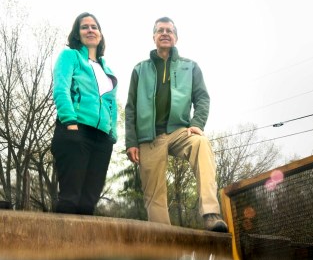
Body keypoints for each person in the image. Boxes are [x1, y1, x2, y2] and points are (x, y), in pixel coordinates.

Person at [125, 16, 228, 233]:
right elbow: (131, 108)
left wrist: (197, 122)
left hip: (180, 130)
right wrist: (131, 141)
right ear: (153, 37)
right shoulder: (139, 69)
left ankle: (211, 215)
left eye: (169, 31)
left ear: (176, 38)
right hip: (149, 136)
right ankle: (163, 235)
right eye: (160, 30)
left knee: (201, 143)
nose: (165, 33)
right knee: (153, 192)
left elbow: (202, 98)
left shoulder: (190, 67)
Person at [51, 12, 117, 215]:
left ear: (100, 34)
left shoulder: (108, 70)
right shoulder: (70, 56)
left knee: (88, 204)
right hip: (75, 130)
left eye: (94, 27)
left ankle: (81, 248)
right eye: (84, 27)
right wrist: (70, 121)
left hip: (102, 139)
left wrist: (112, 134)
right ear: (77, 34)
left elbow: (111, 104)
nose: (90, 30)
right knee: (70, 200)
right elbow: (61, 89)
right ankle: (57, 246)